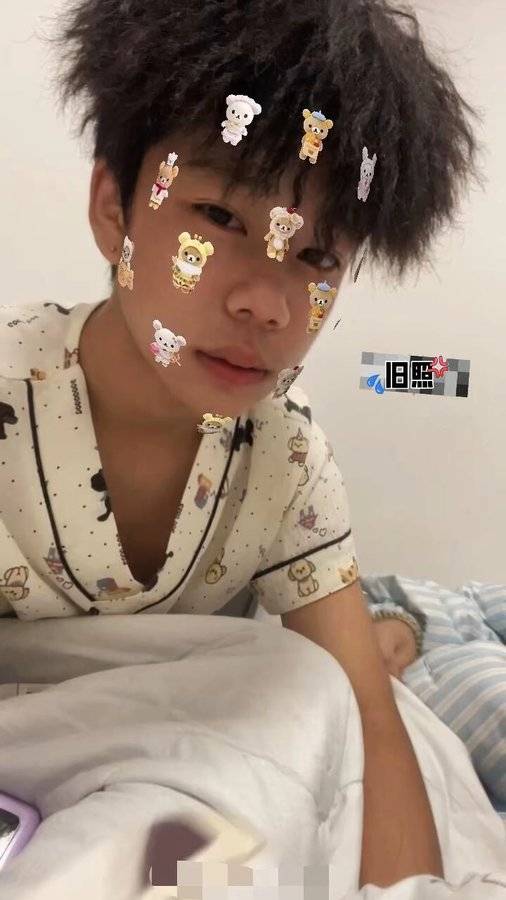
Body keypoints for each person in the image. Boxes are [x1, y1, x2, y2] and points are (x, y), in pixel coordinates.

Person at [0, 0, 482, 888]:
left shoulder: (285, 457)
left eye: (317, 258)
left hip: (192, 763)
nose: (267, 301)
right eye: (220, 217)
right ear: (113, 209)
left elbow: (364, 716)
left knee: (321, 693)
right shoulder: (9, 401)